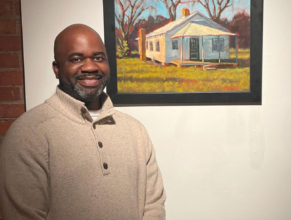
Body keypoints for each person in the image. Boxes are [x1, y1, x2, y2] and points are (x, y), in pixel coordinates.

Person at [0, 24, 166, 220]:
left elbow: (154, 204)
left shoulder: (135, 130)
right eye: (76, 59)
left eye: (98, 58)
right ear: (57, 68)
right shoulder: (28, 132)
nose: (90, 67)